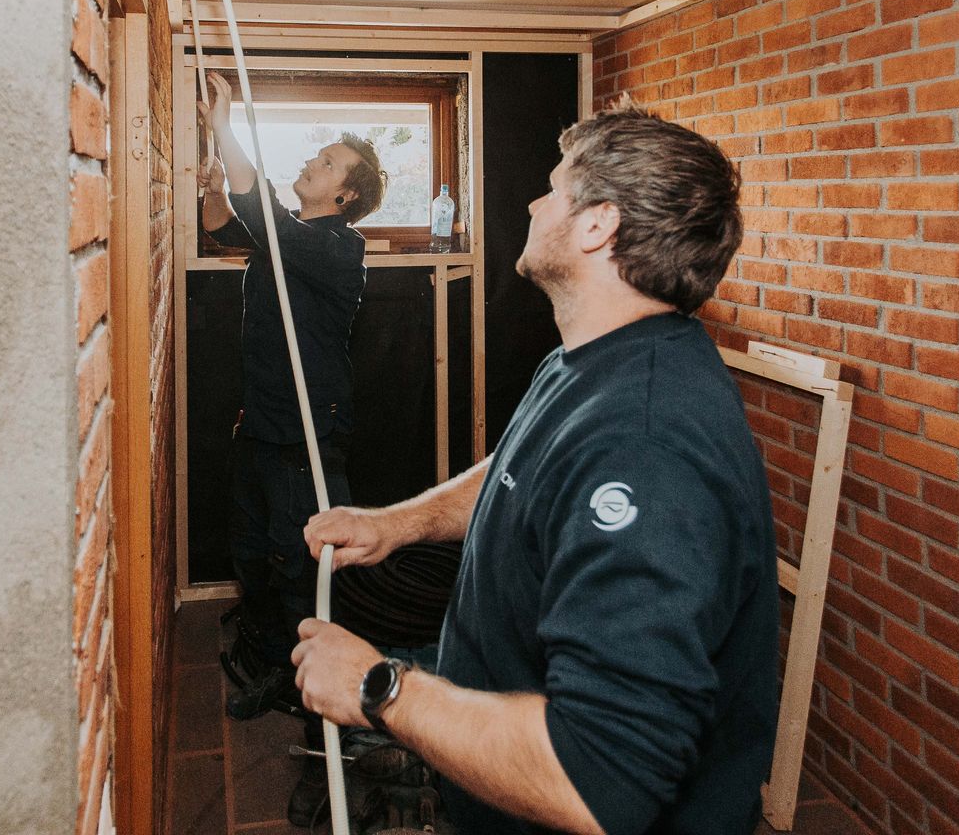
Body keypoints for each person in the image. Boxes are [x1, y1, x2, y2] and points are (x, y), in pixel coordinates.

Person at [292, 98, 777, 835]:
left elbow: (597, 780)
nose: (533, 200)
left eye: (553, 187)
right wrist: (397, 523)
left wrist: (378, 688)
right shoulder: (591, 360)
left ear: (596, 224)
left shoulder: (647, 448)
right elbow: (523, 468)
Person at [197, 72, 386, 719]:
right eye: (318, 155)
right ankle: (265, 648)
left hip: (307, 433)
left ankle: (301, 681)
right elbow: (228, 227)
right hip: (262, 422)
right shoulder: (290, 240)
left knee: (299, 562)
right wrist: (213, 193)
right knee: (251, 547)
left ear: (346, 192)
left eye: (328, 162)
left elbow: (263, 219)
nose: (313, 161)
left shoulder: (339, 249)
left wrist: (225, 128)